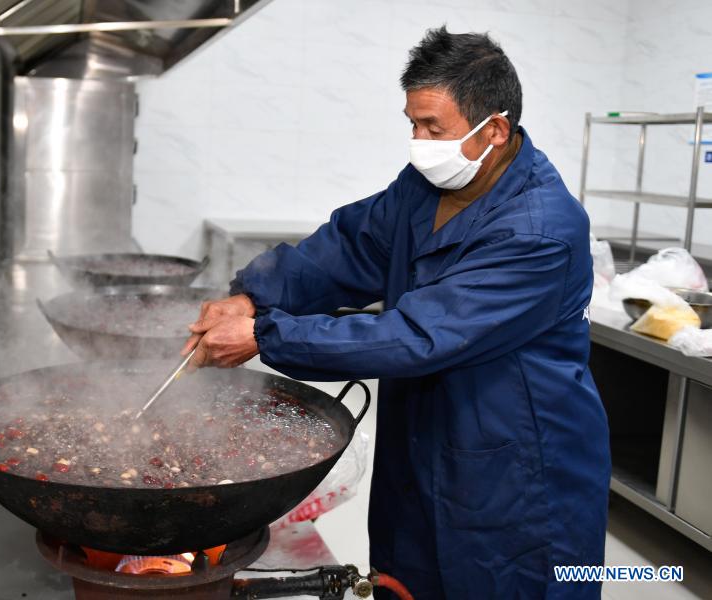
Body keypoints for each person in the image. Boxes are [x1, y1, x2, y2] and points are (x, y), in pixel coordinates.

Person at [182, 26, 611, 600]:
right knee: (407, 578)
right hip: (425, 433)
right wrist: (255, 295)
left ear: (496, 130)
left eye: (434, 127)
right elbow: (351, 246)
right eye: (412, 123)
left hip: (515, 466)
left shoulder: (541, 232)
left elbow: (417, 334)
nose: (419, 140)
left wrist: (265, 333)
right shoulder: (425, 185)